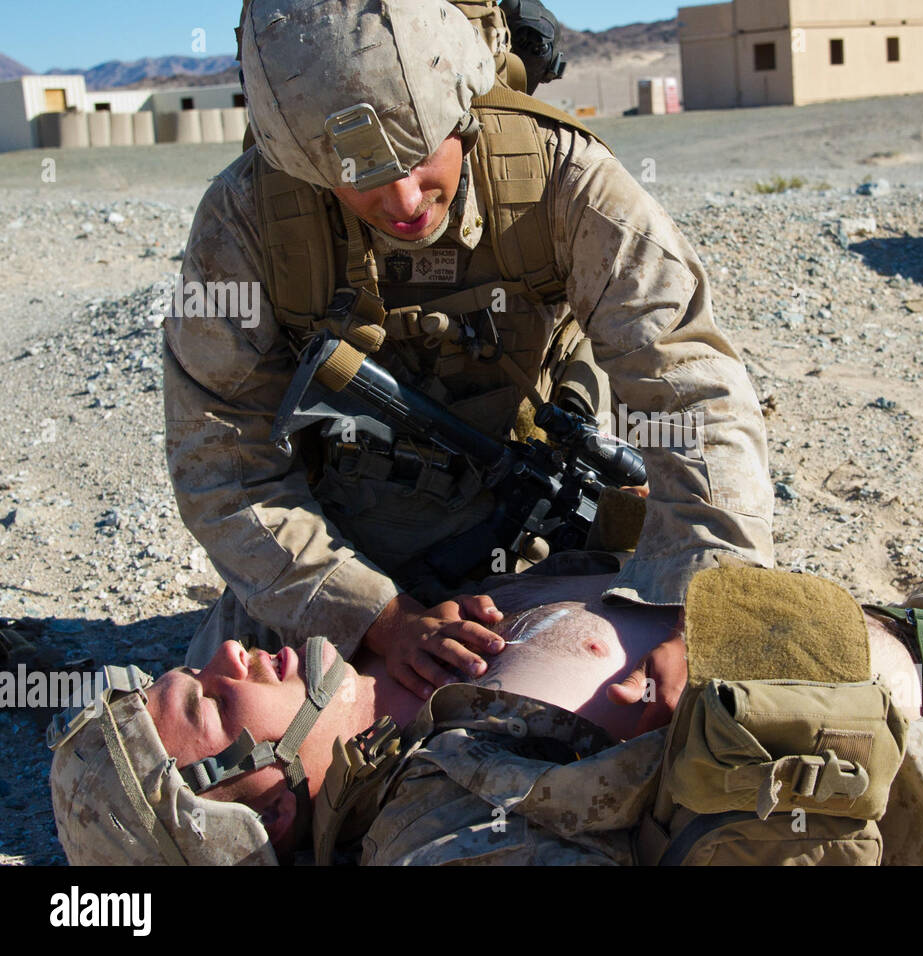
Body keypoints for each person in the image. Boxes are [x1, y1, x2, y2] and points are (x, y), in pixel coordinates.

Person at [165, 0, 774, 705]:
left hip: (535, 511)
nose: (401, 199)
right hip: (342, 537)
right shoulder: (245, 224)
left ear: (462, 107)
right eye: (356, 173)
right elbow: (221, 468)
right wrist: (376, 617)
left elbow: (689, 385)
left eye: (418, 149)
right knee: (222, 738)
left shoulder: (563, 175)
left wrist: (708, 605)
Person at [49, 561, 923, 866]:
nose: (240, 658)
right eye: (212, 702)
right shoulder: (439, 829)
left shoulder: (410, 711)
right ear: (249, 812)